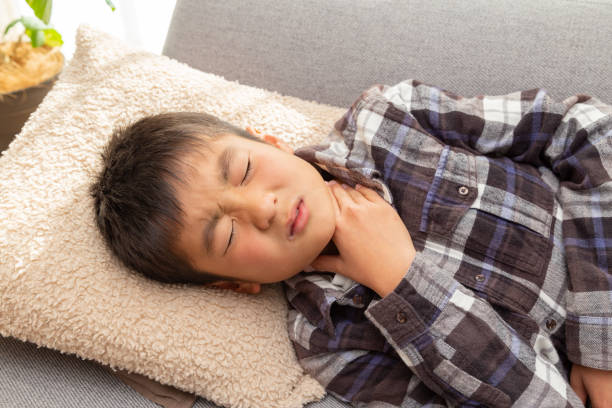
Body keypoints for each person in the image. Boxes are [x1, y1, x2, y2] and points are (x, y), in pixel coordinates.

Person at [90, 79, 612, 407]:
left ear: (266, 141)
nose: (262, 208)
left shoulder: (389, 120)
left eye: (245, 170)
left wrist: (598, 343)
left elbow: (584, 129)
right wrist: (403, 279)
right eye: (227, 234)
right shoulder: (329, 343)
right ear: (237, 283)